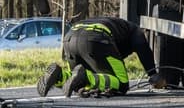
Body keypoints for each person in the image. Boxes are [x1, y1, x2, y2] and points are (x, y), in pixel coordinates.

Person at [36, 16, 166, 98]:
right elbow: (143, 49)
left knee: (79, 84)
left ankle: (59, 75)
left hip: (70, 37)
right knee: (121, 84)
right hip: (96, 38)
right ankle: (86, 76)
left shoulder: (115, 25)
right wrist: (153, 74)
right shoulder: (135, 30)